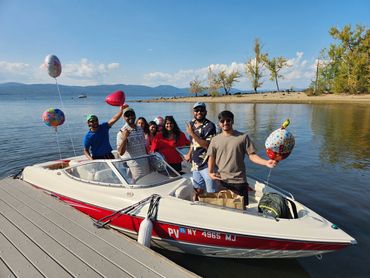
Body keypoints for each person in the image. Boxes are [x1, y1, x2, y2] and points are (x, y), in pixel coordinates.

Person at [207, 110, 277, 206]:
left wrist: (266, 162)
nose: (225, 123)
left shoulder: (243, 137)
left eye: (228, 120)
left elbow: (252, 156)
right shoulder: (215, 140)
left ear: (233, 121)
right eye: (222, 121)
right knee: (224, 207)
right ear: (219, 123)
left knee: (241, 208)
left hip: (239, 181)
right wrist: (210, 172)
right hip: (221, 181)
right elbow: (211, 157)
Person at [184, 102, 217, 198]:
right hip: (195, 164)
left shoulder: (210, 126)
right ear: (193, 112)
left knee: (211, 192)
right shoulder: (191, 124)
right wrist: (189, 153)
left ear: (205, 112)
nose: (199, 112)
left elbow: (207, 145)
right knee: (197, 190)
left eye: (201, 110)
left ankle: (213, 209)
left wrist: (192, 133)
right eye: (196, 110)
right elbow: (192, 143)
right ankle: (199, 206)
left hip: (207, 164)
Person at [116, 107, 149, 181]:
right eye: (127, 115)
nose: (130, 116)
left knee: (148, 182)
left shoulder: (140, 129)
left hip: (145, 163)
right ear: (124, 117)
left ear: (135, 115)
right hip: (135, 167)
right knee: (140, 184)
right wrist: (125, 138)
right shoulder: (121, 132)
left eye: (132, 114)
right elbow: (120, 152)